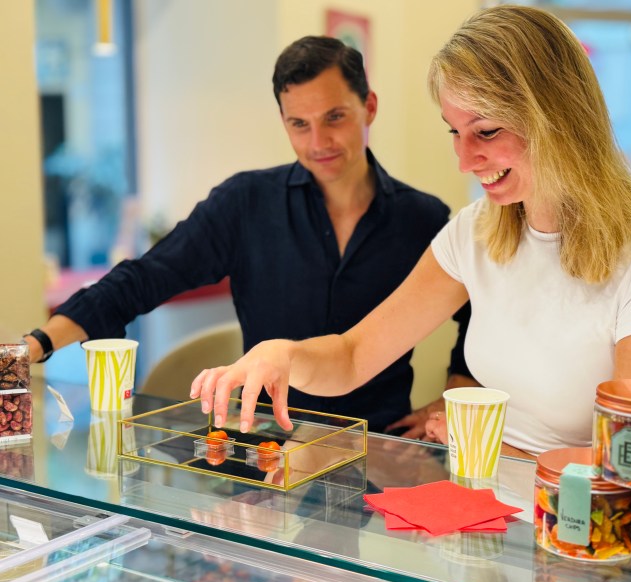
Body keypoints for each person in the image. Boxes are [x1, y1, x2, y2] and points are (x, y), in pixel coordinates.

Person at [191, 6, 631, 458]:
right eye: (455, 132)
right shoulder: (474, 233)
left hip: (577, 532)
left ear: (555, 118)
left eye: (487, 131)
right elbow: (353, 355)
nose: (464, 159)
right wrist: (283, 354)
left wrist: (497, 449)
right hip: (479, 515)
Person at [24, 35, 474, 433]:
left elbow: (479, 312)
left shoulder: (423, 217)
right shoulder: (245, 203)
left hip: (381, 448)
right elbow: (143, 278)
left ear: (368, 106)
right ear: (283, 121)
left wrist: (453, 394)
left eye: (334, 117)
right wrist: (36, 346)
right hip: (265, 447)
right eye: (299, 124)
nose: (318, 141)